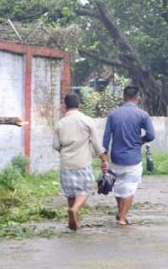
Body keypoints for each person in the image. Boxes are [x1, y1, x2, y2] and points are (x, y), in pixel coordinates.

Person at [53, 92, 109, 230]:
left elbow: (55, 145)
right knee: (85, 190)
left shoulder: (60, 123)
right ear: (79, 105)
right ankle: (75, 210)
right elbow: (96, 144)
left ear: (65, 106)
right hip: (83, 162)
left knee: (70, 193)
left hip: (66, 163)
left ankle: (74, 220)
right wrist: (104, 160)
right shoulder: (87, 120)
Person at [103, 85, 156, 225]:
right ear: (138, 98)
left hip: (116, 158)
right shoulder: (142, 115)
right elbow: (151, 135)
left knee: (119, 187)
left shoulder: (113, 114)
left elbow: (106, 139)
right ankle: (121, 218)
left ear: (124, 97)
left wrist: (104, 157)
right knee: (129, 188)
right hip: (133, 158)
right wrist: (140, 140)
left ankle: (121, 213)